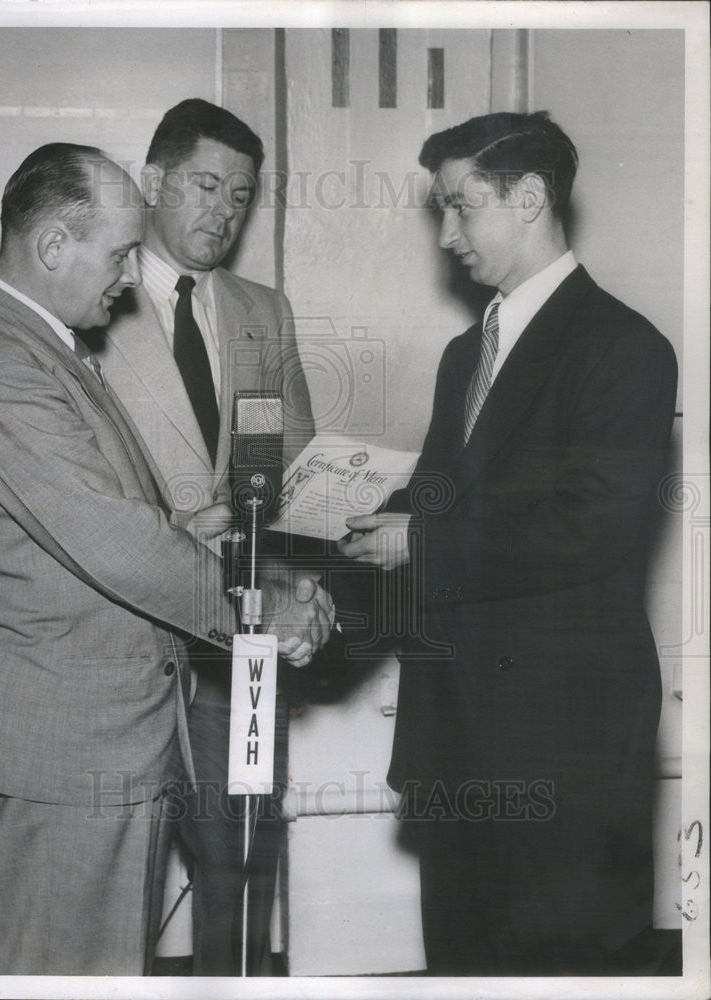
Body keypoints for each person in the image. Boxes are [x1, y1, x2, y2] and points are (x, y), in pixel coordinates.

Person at [0, 142, 332, 976]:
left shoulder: (46, 349)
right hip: (65, 751)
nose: (125, 278)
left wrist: (203, 525)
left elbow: (111, 522)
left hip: (96, 740)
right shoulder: (9, 370)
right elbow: (116, 545)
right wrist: (264, 611)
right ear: (52, 248)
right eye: (117, 255)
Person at [338, 112, 678, 975]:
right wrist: (340, 526)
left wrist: (420, 540)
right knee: (459, 964)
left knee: (559, 973)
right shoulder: (467, 353)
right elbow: (448, 499)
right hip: (453, 737)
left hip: (563, 749)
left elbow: (593, 524)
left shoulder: (626, 347)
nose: (446, 235)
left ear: (529, 199)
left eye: (461, 207)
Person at [95, 99, 315, 975]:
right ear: (154, 182)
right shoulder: (91, 305)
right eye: (206, 185)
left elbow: (288, 474)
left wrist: (301, 579)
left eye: (242, 195)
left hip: (245, 642)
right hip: (128, 636)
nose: (223, 211)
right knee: (122, 863)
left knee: (240, 855)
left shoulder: (266, 310)